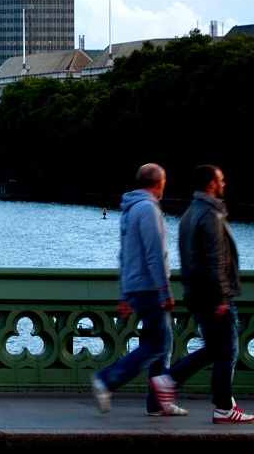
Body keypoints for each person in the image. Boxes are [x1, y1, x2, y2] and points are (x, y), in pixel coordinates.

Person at [156, 165, 254, 423]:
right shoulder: (210, 215)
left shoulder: (190, 213)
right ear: (212, 183)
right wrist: (222, 297)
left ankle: (220, 402)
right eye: (221, 179)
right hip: (213, 295)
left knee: (217, 349)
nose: (225, 183)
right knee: (227, 350)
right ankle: (179, 383)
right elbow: (214, 261)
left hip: (196, 293)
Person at [90, 163, 184, 416]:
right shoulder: (149, 209)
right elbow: (155, 254)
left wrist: (124, 294)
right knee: (157, 344)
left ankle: (158, 403)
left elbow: (124, 255)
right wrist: (165, 291)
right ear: (159, 183)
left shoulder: (129, 210)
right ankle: (108, 380)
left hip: (135, 286)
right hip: (150, 287)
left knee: (161, 343)